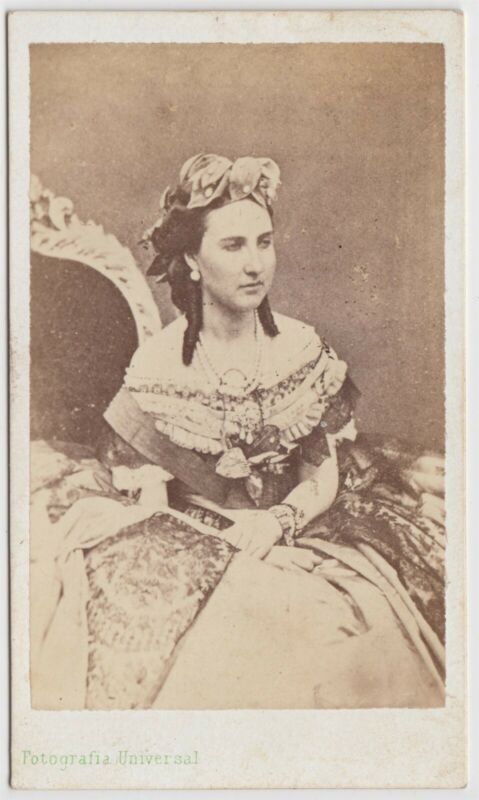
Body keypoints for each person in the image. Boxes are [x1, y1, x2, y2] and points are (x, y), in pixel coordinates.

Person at [31, 153, 446, 710]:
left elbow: (319, 478)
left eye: (264, 243)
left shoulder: (300, 349)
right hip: (198, 540)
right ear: (191, 259)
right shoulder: (157, 371)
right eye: (233, 246)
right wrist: (233, 538)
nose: (255, 265)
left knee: (359, 634)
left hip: (306, 525)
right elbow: (154, 511)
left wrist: (276, 523)